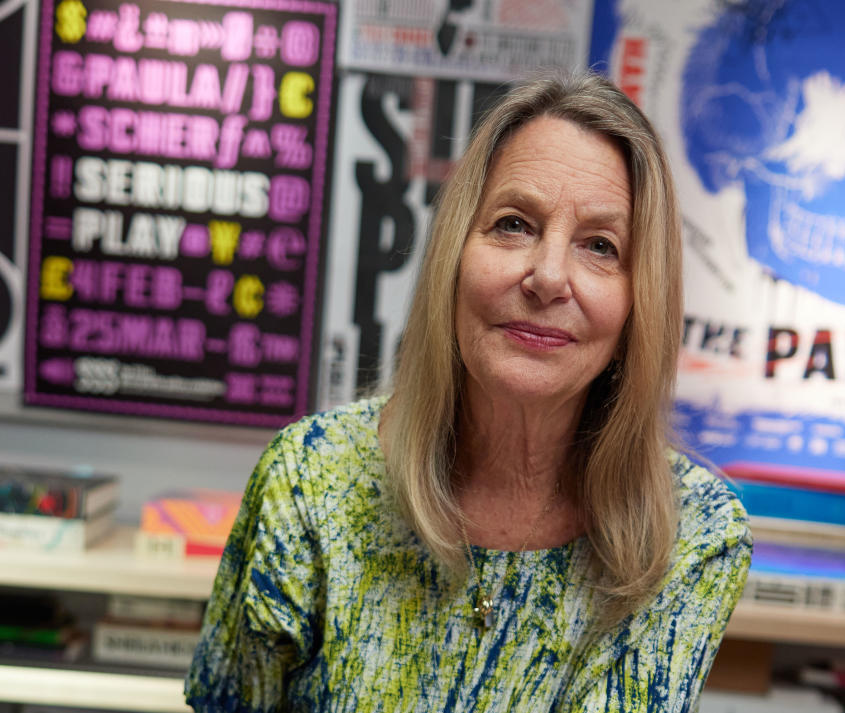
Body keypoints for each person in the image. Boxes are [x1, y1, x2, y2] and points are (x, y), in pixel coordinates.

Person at [186, 70, 752, 712]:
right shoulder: (311, 481)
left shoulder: (693, 534)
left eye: (600, 246)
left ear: (638, 305)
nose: (547, 277)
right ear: (454, 255)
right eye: (514, 224)